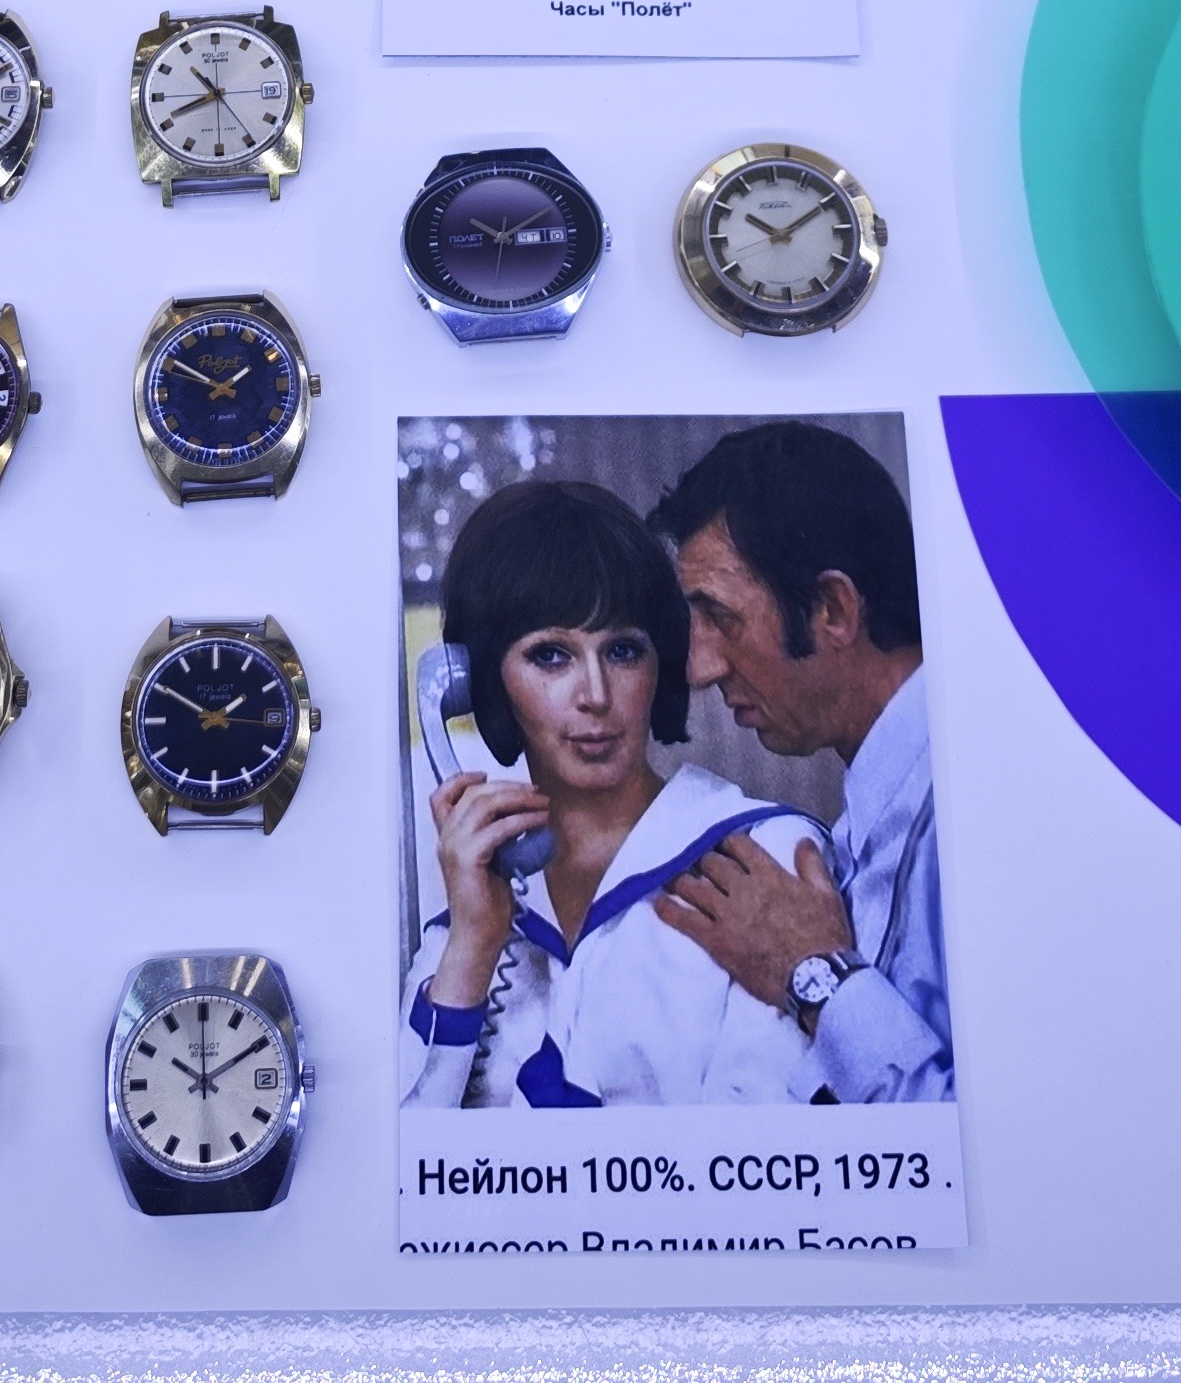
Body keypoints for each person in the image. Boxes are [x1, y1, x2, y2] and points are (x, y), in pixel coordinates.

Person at [404, 479, 825, 1108]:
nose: (596, 696)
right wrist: (472, 947)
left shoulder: (765, 859)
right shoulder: (466, 926)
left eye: (623, 651)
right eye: (551, 657)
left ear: (663, 666)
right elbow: (402, 1159)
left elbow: (772, 1149)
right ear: (483, 681)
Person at [648, 424, 951, 1103]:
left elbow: (1009, 1139)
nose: (699, 668)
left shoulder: (976, 810)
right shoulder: (875, 817)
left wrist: (813, 974)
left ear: (833, 609)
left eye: (720, 617)